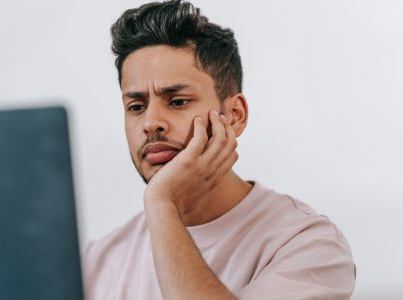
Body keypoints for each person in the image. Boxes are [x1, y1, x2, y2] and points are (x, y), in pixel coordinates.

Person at [84, 1, 356, 299]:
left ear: (235, 115)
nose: (150, 123)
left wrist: (163, 203)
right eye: (136, 107)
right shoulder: (98, 262)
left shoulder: (306, 244)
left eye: (178, 101)